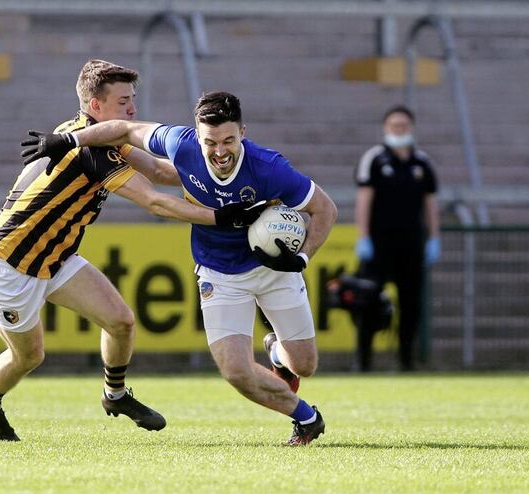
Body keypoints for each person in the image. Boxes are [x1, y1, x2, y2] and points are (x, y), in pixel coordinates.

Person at [21, 91, 338, 446]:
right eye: (210, 142)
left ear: (243, 133)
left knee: (304, 366)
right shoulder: (180, 143)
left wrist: (302, 258)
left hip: (273, 271)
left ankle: (277, 352)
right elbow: (125, 128)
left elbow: (325, 209)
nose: (220, 151)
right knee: (236, 371)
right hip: (218, 273)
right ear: (197, 134)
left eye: (229, 141)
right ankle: (307, 419)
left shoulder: (270, 168)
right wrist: (69, 139)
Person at [0, 61, 264, 441]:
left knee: (121, 322)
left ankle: (116, 395)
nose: (132, 111)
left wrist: (224, 164)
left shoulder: (89, 136)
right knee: (29, 356)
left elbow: (160, 172)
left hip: (55, 257)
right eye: (123, 101)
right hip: (11, 264)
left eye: (132, 100)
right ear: (95, 105)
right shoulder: (92, 152)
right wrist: (224, 217)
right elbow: (155, 201)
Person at [353, 104, 441, 372]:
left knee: (411, 304)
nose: (399, 130)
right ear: (385, 128)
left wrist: (434, 237)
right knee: (368, 300)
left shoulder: (422, 163)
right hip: (379, 244)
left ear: (411, 128)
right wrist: (363, 236)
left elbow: (431, 203)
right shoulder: (375, 159)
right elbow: (364, 199)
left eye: (403, 126)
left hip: (411, 244)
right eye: (394, 126)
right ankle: (363, 362)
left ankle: (406, 361)